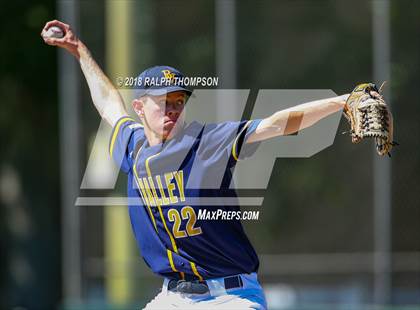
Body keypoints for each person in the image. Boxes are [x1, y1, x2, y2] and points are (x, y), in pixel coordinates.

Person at [42, 20, 348, 310]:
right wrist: (80, 50)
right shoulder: (133, 146)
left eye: (178, 101)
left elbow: (276, 124)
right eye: (162, 100)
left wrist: (341, 102)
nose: (172, 108)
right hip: (173, 298)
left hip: (230, 295)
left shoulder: (208, 142)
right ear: (139, 107)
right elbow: (109, 103)